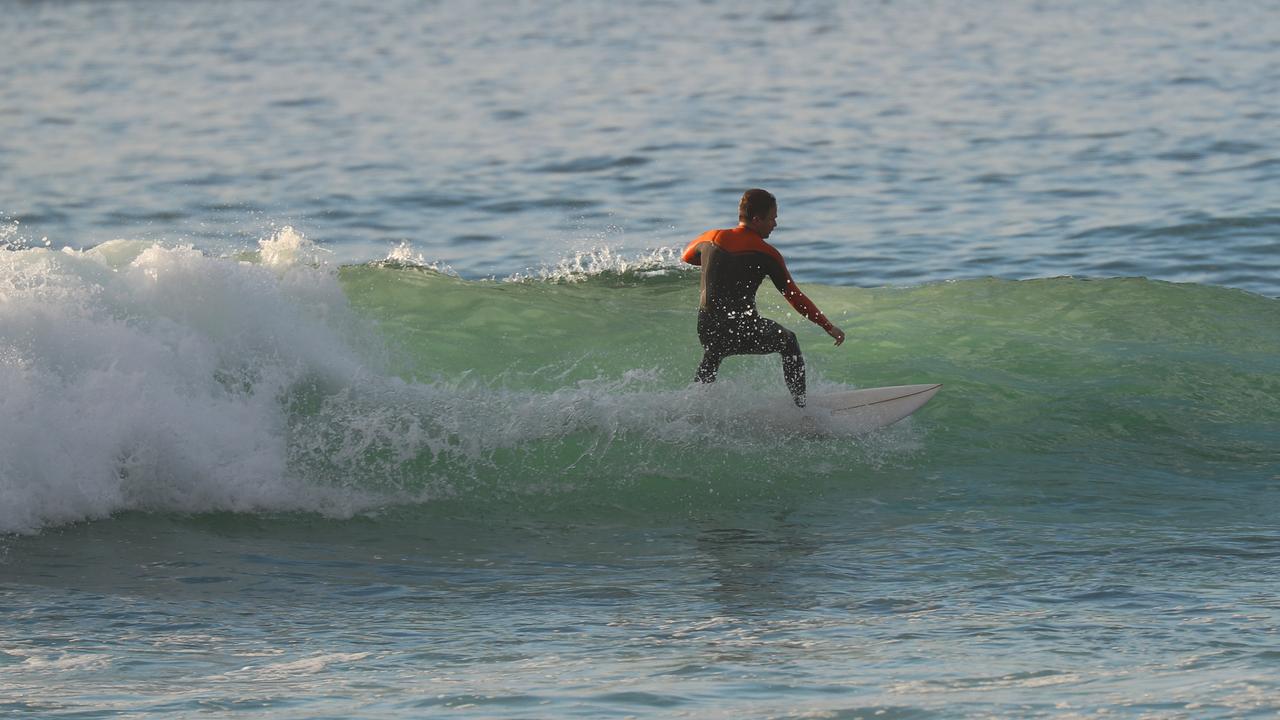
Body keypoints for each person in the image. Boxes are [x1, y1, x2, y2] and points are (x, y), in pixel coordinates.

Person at [682, 189, 845, 407]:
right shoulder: (766, 253)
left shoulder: (712, 237)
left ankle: (694, 403)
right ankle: (802, 407)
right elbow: (794, 297)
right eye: (772, 219)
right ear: (757, 219)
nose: (775, 224)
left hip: (707, 327)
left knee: (714, 350)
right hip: (741, 329)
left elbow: (687, 256)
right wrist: (828, 326)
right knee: (789, 341)